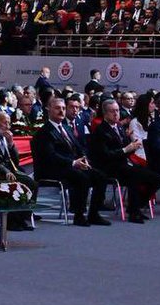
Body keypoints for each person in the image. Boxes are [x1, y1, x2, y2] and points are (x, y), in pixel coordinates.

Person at [33, 95, 111, 226]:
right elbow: (51, 156)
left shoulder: (66, 128)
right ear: (49, 110)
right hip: (52, 169)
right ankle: (79, 216)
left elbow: (78, 147)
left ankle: (94, 214)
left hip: (70, 166)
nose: (61, 111)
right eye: (57, 108)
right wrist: (73, 163)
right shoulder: (44, 132)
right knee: (83, 178)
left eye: (63, 108)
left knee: (100, 176)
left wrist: (84, 159)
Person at [88, 100, 160, 224]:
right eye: (112, 111)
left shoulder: (119, 127)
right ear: (105, 114)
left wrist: (132, 146)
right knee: (134, 175)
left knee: (156, 178)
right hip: (109, 166)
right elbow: (105, 155)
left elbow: (126, 148)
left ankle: (136, 206)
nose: (116, 114)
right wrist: (126, 149)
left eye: (117, 111)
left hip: (124, 163)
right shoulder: (101, 130)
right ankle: (134, 212)